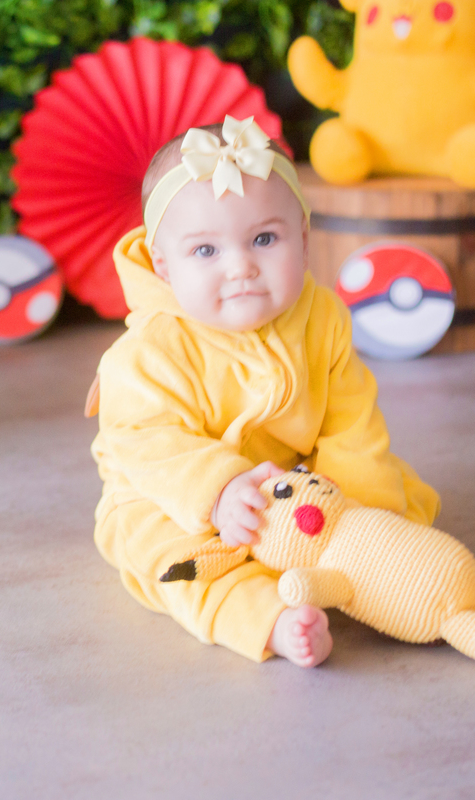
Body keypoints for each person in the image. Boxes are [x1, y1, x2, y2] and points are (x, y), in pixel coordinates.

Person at [89, 116, 442, 667]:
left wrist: (360, 513)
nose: (241, 267)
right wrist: (220, 489)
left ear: (303, 237)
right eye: (205, 251)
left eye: (264, 239)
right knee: (175, 562)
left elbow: (350, 420)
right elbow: (144, 439)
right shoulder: (151, 350)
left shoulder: (320, 315)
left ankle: (348, 565)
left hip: (295, 480)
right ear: (163, 264)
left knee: (397, 494)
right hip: (171, 495)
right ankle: (265, 618)